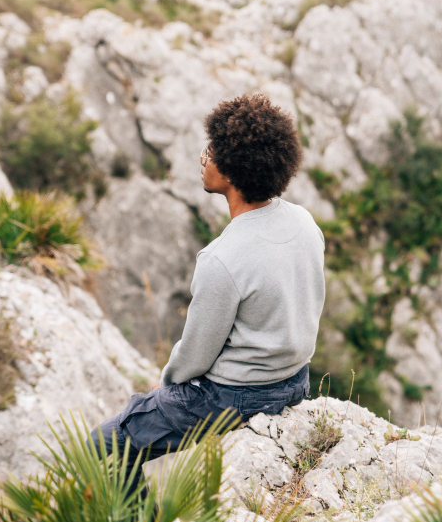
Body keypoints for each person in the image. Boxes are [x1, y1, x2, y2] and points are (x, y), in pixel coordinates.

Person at [92, 93, 326, 496]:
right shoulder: (304, 222)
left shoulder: (222, 259)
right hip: (295, 380)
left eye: (213, 151)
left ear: (233, 170)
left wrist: (166, 388)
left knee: (102, 447)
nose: (205, 158)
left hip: (233, 398)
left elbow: (196, 356)